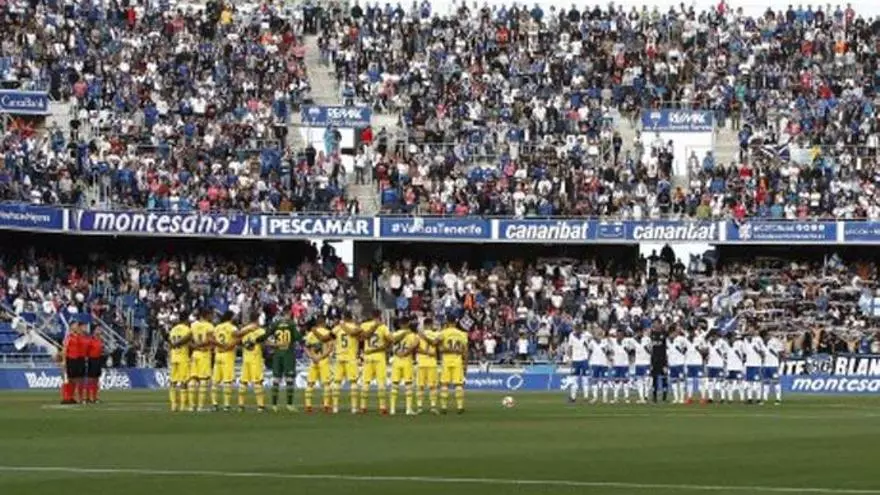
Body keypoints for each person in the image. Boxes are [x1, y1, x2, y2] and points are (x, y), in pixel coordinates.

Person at [425, 318, 468, 414]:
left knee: (444, 384)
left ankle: (444, 407)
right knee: (459, 384)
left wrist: (424, 337)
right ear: (455, 323)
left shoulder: (443, 333)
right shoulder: (462, 334)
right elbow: (465, 351)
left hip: (446, 361)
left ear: (447, 322)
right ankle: (460, 407)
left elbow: (434, 343)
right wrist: (465, 365)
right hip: (457, 360)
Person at [266, 315, 302, 412]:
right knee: (289, 380)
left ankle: (274, 405)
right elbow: (299, 337)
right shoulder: (291, 325)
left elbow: (266, 338)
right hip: (288, 355)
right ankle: (289, 405)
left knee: (276, 380)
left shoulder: (274, 326)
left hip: (277, 355)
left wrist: (273, 344)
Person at [359, 311, 392, 413]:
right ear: (380, 316)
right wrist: (384, 347)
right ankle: (382, 407)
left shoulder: (364, 325)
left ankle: (363, 407)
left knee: (366, 382)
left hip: (368, 356)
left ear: (371, 316)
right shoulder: (383, 327)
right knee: (381, 382)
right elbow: (391, 340)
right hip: (379, 356)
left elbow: (361, 337)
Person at [329, 312, 362, 414]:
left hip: (339, 356)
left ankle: (335, 407)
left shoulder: (338, 327)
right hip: (351, 357)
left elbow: (330, 336)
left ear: (344, 317)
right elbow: (358, 335)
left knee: (337, 382)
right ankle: (354, 408)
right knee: (353, 382)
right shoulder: (354, 327)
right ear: (351, 318)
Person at [389, 318, 420, 416]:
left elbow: (391, 345)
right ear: (408, 324)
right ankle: (408, 409)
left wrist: (398, 353)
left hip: (396, 361)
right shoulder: (412, 335)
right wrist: (406, 352)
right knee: (408, 385)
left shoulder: (394, 334)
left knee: (394, 385)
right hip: (407, 361)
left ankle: (392, 409)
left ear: (399, 324)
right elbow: (415, 345)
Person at [304, 317, 334, 413]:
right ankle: (326, 405)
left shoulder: (310, 334)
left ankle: (308, 405)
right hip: (323, 360)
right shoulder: (327, 333)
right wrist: (321, 357)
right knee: (326, 384)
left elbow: (306, 348)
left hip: (313, 360)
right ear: (324, 323)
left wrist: (312, 357)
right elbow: (330, 348)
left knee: (310, 383)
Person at [237, 319, 268, 411]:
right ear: (257, 319)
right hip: (255, 358)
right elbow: (264, 344)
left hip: (246, 358)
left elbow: (239, 341)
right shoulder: (260, 331)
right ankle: (260, 406)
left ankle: (240, 405)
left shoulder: (244, 330)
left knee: (243, 381)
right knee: (258, 382)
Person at [189, 308, 215, 412]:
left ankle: (192, 406)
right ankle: (200, 407)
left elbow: (188, 340)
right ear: (207, 315)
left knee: (193, 379)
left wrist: (195, 346)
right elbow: (209, 340)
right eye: (211, 315)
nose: (212, 317)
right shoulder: (209, 326)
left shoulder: (193, 325)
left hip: (195, 353)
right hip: (204, 354)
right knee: (204, 380)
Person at [211, 311, 238, 411]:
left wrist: (219, 346)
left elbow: (212, 340)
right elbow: (237, 338)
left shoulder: (217, 327)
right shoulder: (232, 327)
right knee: (227, 381)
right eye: (234, 316)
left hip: (218, 354)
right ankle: (226, 405)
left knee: (215, 381)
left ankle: (214, 404)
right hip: (228, 355)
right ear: (230, 317)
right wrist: (228, 346)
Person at [415, 317, 440, 413]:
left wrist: (425, 351)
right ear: (431, 324)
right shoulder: (437, 334)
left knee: (420, 386)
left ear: (424, 325)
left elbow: (415, 349)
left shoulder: (418, 335)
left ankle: (419, 407)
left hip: (421, 362)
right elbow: (436, 344)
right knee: (432, 386)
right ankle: (433, 407)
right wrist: (429, 353)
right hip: (432, 363)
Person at [168, 314, 192, 412]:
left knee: (173, 381)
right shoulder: (186, 329)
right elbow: (188, 338)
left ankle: (173, 405)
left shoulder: (173, 330)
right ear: (186, 320)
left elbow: (170, 343)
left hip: (174, 357)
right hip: (183, 357)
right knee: (184, 381)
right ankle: (183, 405)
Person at [61, 320, 86, 404]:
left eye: (77, 325)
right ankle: (67, 397)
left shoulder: (78, 336)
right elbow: (64, 349)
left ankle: (73, 397)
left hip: (78, 359)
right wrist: (64, 361)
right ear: (71, 326)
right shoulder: (69, 337)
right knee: (69, 379)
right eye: (75, 325)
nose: (76, 326)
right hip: (70, 359)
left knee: (76, 379)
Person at [566, 325, 591, 403]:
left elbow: (589, 346)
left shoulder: (585, 335)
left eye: (579, 328)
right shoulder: (571, 335)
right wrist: (569, 358)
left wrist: (588, 357)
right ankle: (573, 397)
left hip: (584, 360)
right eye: (577, 328)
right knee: (574, 379)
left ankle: (586, 397)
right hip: (575, 360)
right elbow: (570, 347)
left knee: (585, 379)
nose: (578, 330)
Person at [684, 330, 706, 404]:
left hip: (698, 363)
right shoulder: (685, 341)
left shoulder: (699, 340)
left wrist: (699, 349)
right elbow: (683, 351)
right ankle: (689, 398)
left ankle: (703, 398)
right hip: (689, 363)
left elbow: (705, 351)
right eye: (690, 332)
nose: (691, 333)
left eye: (692, 332)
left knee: (700, 381)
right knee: (689, 381)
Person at [762, 331, 785, 405]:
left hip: (773, 365)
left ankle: (778, 398)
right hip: (766, 365)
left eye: (767, 335)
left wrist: (779, 361)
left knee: (776, 381)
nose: (766, 337)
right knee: (766, 382)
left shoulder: (775, 341)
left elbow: (781, 352)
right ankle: (765, 398)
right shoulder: (763, 343)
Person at [587, 329, 609, 404]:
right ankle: (595, 397)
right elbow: (589, 352)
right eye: (597, 333)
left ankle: (605, 398)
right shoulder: (592, 342)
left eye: (600, 333)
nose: (599, 335)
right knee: (594, 381)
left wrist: (606, 352)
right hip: (594, 363)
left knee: (605, 381)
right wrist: (588, 361)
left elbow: (608, 352)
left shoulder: (605, 342)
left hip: (604, 363)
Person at [630, 329, 652, 403]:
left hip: (646, 363)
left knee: (647, 380)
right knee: (639, 381)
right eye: (637, 332)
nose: (638, 334)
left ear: (642, 332)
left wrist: (647, 348)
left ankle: (646, 396)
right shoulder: (633, 341)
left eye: (640, 332)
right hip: (638, 363)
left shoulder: (647, 339)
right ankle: (641, 397)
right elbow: (631, 352)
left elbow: (650, 351)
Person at [609, 330, 631, 403]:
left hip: (625, 365)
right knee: (616, 381)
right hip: (616, 364)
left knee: (625, 381)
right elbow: (610, 351)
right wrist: (611, 358)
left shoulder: (626, 343)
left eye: (621, 335)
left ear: (623, 336)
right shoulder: (613, 343)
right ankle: (615, 398)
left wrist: (626, 349)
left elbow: (630, 352)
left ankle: (626, 398)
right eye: (618, 335)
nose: (619, 336)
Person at [743, 331, 765, 404]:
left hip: (757, 364)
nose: (748, 337)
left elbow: (763, 353)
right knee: (749, 382)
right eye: (747, 336)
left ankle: (758, 399)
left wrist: (757, 350)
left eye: (750, 335)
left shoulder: (758, 341)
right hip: (749, 364)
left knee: (757, 382)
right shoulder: (745, 343)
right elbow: (745, 353)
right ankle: (750, 399)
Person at [705, 332, 728, 403]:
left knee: (721, 381)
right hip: (710, 365)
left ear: (717, 336)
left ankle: (722, 398)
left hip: (719, 365)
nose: (713, 337)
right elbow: (708, 352)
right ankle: (710, 398)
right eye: (712, 336)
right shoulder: (708, 343)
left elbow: (726, 351)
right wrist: (707, 357)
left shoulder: (722, 342)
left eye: (714, 336)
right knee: (710, 382)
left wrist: (724, 359)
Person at [668, 328, 688, 404]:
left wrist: (683, 352)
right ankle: (676, 398)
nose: (672, 334)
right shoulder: (667, 341)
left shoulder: (681, 339)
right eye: (671, 333)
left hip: (680, 363)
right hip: (672, 364)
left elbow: (686, 346)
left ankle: (682, 398)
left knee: (682, 380)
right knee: (673, 381)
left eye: (674, 332)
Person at [650, 325, 669, 403]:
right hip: (654, 361)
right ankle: (654, 397)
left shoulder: (664, 335)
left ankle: (664, 398)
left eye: (659, 324)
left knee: (664, 379)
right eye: (655, 324)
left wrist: (666, 362)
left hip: (663, 361)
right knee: (654, 379)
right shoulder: (652, 335)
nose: (657, 326)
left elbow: (668, 333)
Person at [85, 327, 104, 403]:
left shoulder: (100, 340)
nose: (99, 331)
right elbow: (86, 350)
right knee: (90, 379)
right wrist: (87, 359)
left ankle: (95, 397)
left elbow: (101, 350)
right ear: (94, 331)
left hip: (98, 360)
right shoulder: (90, 340)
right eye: (97, 329)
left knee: (96, 379)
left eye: (100, 329)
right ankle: (88, 397)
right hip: (92, 360)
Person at [726, 334, 746, 403]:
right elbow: (724, 355)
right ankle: (730, 399)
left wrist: (742, 360)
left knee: (740, 383)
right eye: (731, 338)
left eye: (733, 338)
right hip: (730, 368)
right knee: (730, 383)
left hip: (738, 367)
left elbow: (744, 353)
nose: (733, 339)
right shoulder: (726, 346)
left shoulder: (739, 344)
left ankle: (742, 399)